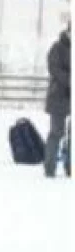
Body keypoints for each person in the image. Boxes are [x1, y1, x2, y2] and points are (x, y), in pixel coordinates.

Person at [44, 24, 70, 177]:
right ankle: (50, 167)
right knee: (56, 132)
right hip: (58, 98)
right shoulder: (56, 48)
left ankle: (70, 166)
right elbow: (54, 69)